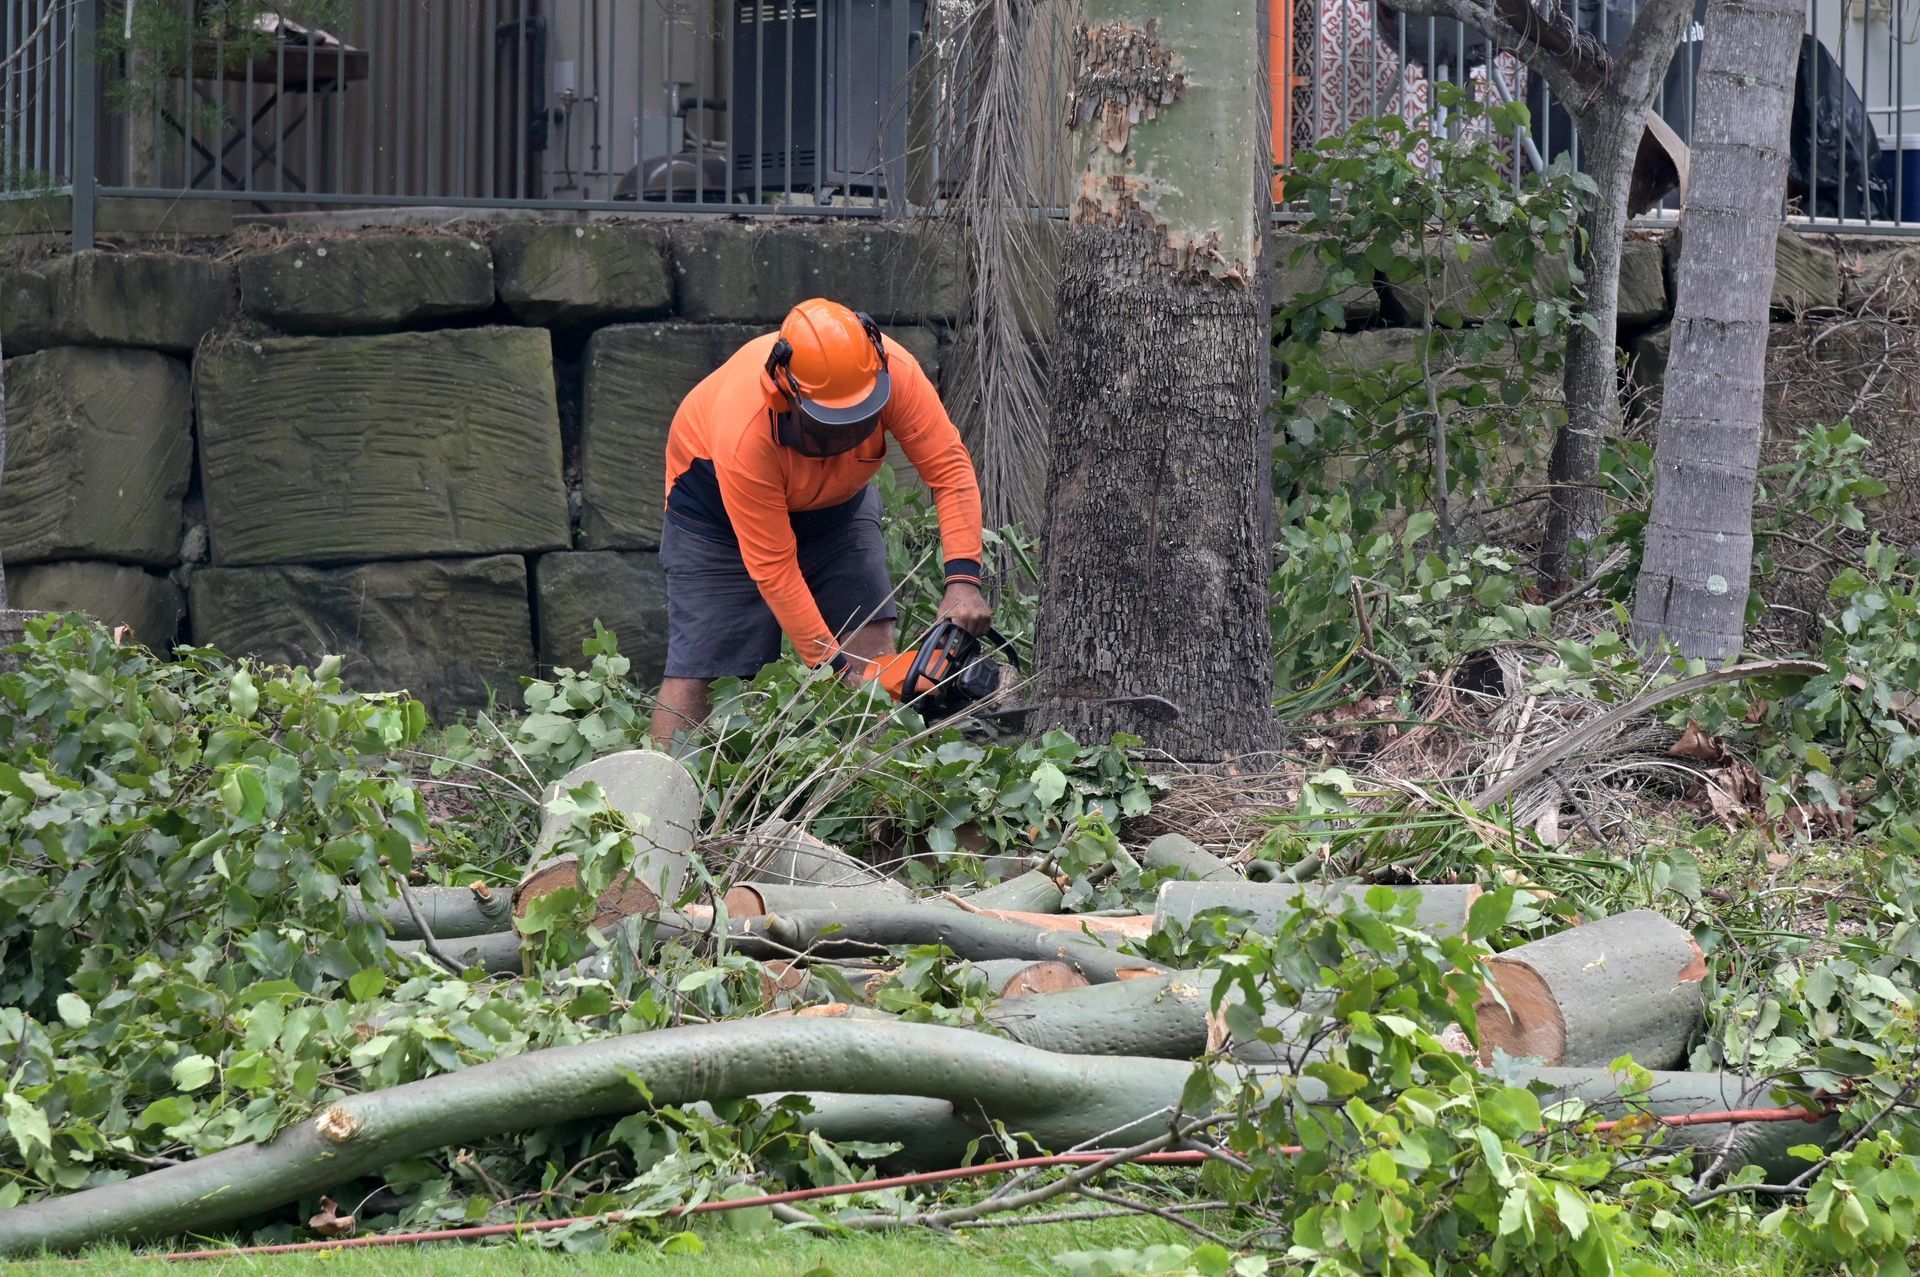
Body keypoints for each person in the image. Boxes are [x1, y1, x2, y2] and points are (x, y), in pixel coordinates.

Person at [649, 297, 992, 747]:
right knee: (703, 671)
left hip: (838, 509)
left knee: (870, 646)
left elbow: (948, 468)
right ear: (784, 394)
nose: (849, 435)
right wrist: (831, 667)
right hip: (718, 520)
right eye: (832, 424)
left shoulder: (894, 372)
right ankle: (659, 794)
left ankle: (875, 788)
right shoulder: (745, 432)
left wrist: (963, 582)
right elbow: (774, 567)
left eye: (861, 419)